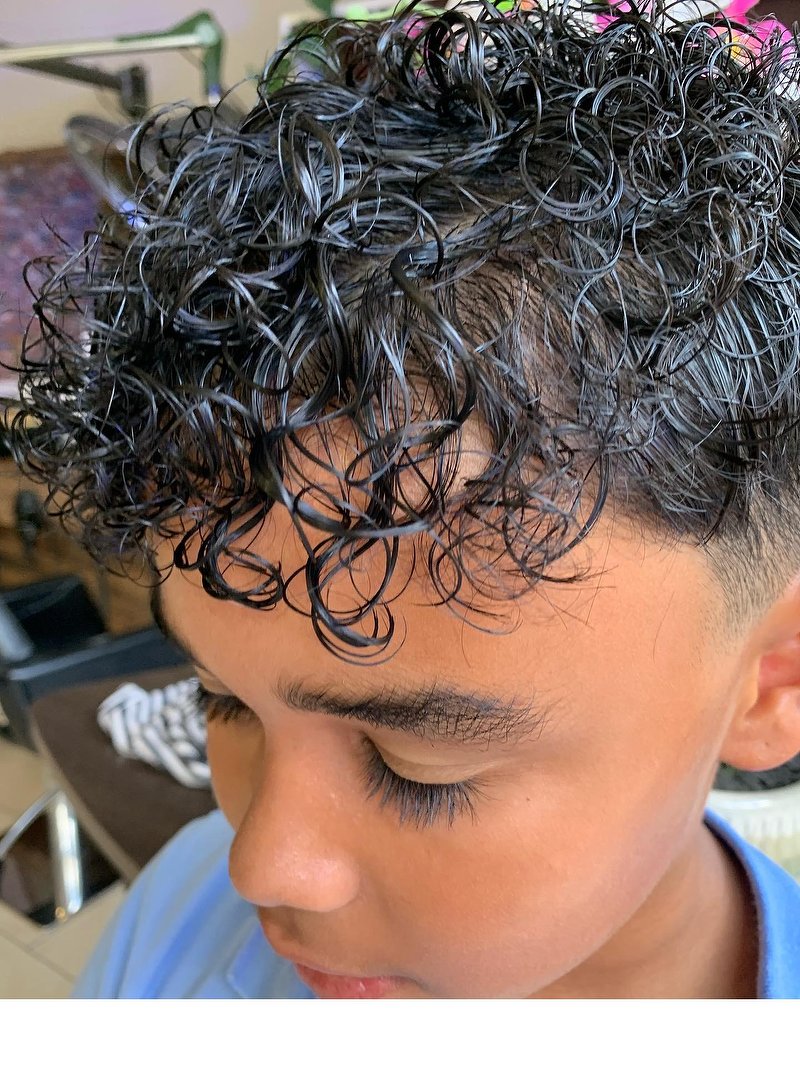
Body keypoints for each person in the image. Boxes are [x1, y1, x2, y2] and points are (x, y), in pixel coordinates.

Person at [11, 0, 800, 998]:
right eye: (222, 697)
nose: (262, 867)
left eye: (417, 770)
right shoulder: (177, 922)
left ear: (771, 682)